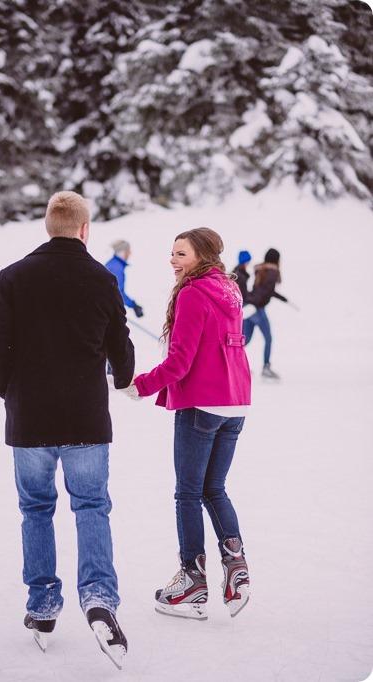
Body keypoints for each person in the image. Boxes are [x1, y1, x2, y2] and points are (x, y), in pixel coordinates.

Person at [0, 191, 134, 669]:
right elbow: (121, 351)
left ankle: (43, 603)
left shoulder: (13, 277)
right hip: (86, 418)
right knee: (91, 506)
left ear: (49, 226)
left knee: (36, 509)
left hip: (30, 420)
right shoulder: (102, 278)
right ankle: (99, 599)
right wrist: (122, 379)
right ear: (84, 230)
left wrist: (13, 394)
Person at [126, 227, 251, 620]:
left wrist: (141, 385)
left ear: (202, 256)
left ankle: (193, 583)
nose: (173, 261)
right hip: (234, 403)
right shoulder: (229, 290)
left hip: (202, 404)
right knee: (214, 488)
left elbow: (180, 361)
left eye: (181, 254)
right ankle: (237, 570)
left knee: (188, 493)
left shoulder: (194, 294)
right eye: (172, 253)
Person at [243, 247, 288, 380]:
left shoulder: (262, 270)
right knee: (268, 338)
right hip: (256, 308)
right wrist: (255, 303)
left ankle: (232, 363)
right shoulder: (273, 272)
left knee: (245, 339)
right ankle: (266, 367)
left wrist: (281, 298)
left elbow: (265, 290)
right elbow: (263, 292)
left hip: (249, 306)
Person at [105, 240, 144, 318]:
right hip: (106, 310)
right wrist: (133, 305)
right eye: (128, 251)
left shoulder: (114, 265)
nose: (130, 254)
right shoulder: (115, 268)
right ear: (122, 252)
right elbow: (117, 292)